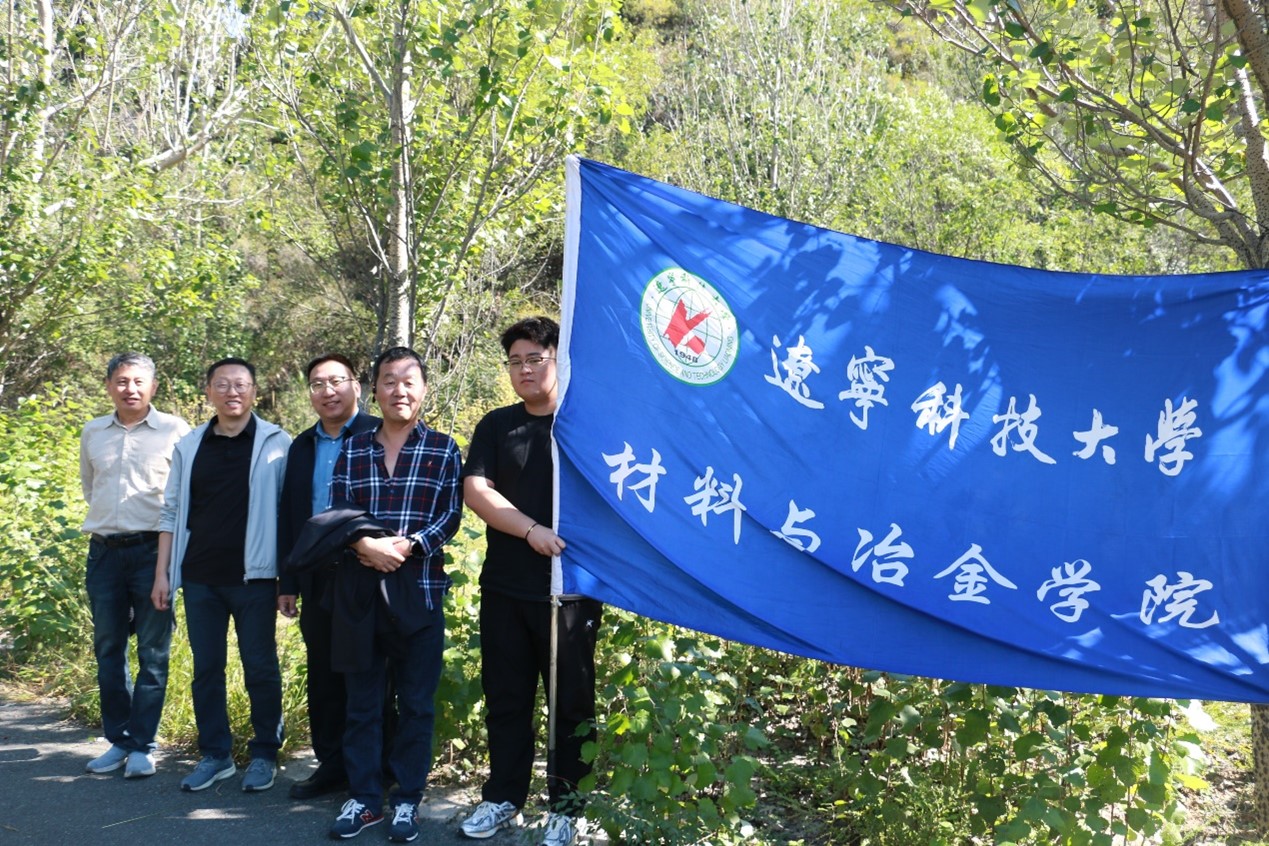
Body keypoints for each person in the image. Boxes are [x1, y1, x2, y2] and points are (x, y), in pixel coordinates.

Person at [459, 317, 603, 846]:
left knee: (570, 702)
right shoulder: (498, 425)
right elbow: (477, 491)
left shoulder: (585, 424)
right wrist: (530, 530)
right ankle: (503, 798)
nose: (524, 369)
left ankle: (567, 807)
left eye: (535, 359)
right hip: (505, 586)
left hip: (570, 590)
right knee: (506, 698)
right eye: (515, 361)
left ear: (558, 359)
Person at [325, 346, 462, 842]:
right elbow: (338, 509)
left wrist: (407, 546)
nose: (399, 390)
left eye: (409, 381)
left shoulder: (443, 449)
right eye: (389, 381)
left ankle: (406, 800)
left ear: (423, 390)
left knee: (417, 704)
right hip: (361, 592)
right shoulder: (354, 448)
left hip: (419, 591)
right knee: (361, 704)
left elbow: (450, 515)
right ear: (374, 390)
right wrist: (364, 544)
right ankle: (365, 799)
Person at [150, 357, 291, 793]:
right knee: (206, 668)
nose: (233, 392)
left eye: (242, 384)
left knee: (260, 667)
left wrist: (288, 579)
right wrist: (162, 574)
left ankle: (265, 752)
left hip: (255, 578)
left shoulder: (277, 442)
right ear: (208, 391)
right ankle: (216, 754)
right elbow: (171, 511)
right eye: (223, 384)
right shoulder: (190, 445)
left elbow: (288, 513)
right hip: (200, 577)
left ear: (254, 392)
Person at [80, 352, 191, 778]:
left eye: (139, 381)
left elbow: (183, 498)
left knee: (152, 652)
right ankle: (119, 739)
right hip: (104, 552)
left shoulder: (175, 431)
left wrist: (168, 564)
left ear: (153, 387)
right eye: (122, 381)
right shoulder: (93, 432)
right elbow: (91, 488)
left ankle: (143, 743)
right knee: (109, 649)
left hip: (152, 553)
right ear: (109, 385)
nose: (130, 389)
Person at [277, 354, 380, 800]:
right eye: (318, 384)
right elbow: (290, 515)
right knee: (323, 674)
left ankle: (376, 768)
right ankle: (331, 765)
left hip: (368, 572)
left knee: (371, 674)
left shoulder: (379, 433)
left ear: (356, 386)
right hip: (317, 574)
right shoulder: (302, 445)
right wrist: (287, 581)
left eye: (337, 381)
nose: (328, 391)